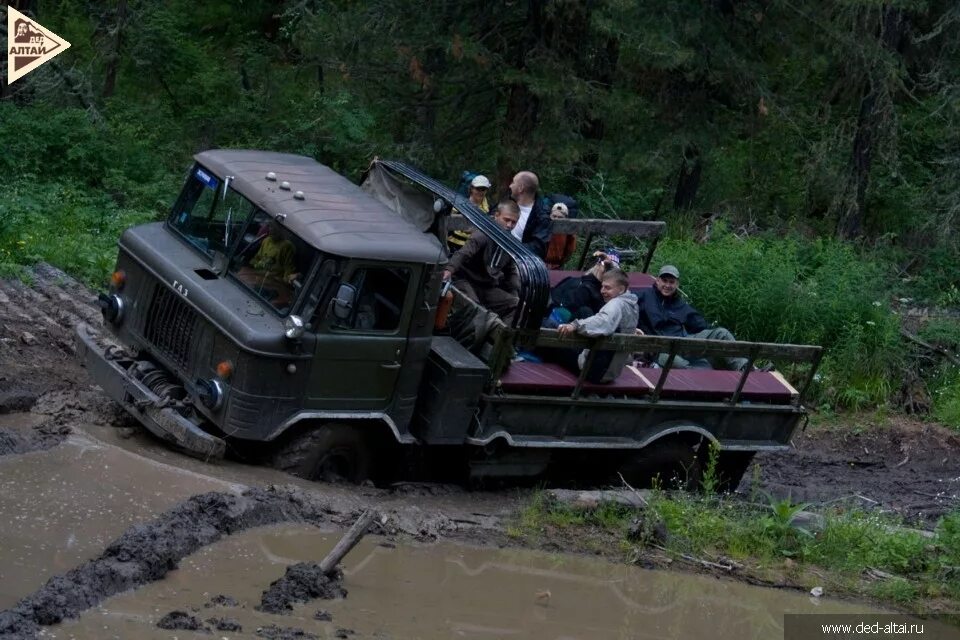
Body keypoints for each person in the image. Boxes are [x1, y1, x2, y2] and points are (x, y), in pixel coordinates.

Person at [635, 265, 749, 371]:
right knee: (677, 362)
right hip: (660, 348)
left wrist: (709, 332)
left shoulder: (680, 303)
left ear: (677, 284)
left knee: (721, 333)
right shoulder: (645, 296)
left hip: (684, 342)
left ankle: (746, 368)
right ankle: (708, 378)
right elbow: (624, 303)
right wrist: (634, 329)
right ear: (657, 280)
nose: (667, 285)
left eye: (671, 282)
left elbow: (700, 324)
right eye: (664, 281)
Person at [552, 268, 639, 383]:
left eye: (607, 287)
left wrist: (575, 325)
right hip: (611, 371)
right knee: (585, 311)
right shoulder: (633, 305)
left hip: (593, 371)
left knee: (552, 344)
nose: (602, 291)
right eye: (602, 286)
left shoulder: (616, 304)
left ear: (621, 289)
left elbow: (603, 322)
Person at [442, 200, 521, 320]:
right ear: (496, 215)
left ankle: (502, 335)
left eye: (514, 222)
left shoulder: (509, 242)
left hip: (488, 287)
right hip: (466, 280)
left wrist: (517, 294)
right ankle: (475, 334)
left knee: (517, 305)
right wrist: (449, 270)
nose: (509, 225)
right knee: (475, 308)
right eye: (507, 220)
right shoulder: (483, 234)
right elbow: (464, 253)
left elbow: (511, 272)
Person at [507, 170, 552, 259]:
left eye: (513, 182)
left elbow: (538, 248)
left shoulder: (542, 215)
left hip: (520, 260)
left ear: (520, 188)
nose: (510, 186)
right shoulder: (508, 201)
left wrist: (509, 247)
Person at [447, 174, 492, 252]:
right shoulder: (459, 203)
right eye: (478, 189)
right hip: (452, 244)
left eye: (483, 189)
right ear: (471, 188)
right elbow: (448, 224)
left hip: (472, 247)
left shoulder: (488, 209)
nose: (480, 192)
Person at [543, 200, 577, 270]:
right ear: (550, 215)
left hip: (557, 266)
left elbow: (570, 250)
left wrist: (561, 262)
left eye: (560, 217)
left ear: (565, 218)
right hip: (540, 263)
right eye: (554, 216)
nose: (556, 219)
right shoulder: (543, 226)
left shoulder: (569, 231)